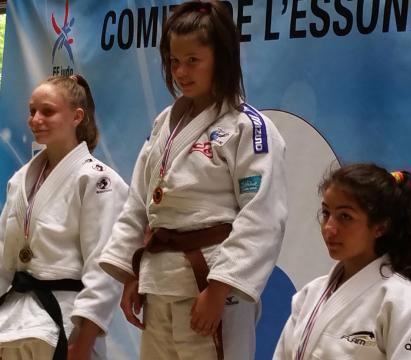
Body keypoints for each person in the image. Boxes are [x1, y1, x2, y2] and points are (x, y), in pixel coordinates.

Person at [98, 1, 287, 359]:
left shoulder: (248, 127)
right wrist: (132, 273)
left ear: (222, 58)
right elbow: (140, 203)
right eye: (174, 61)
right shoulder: (164, 124)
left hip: (211, 282)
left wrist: (219, 289)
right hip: (159, 282)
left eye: (193, 60)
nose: (181, 71)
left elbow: (261, 216)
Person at [0, 74, 128, 360]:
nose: (35, 119)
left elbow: (103, 269)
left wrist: (84, 342)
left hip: (66, 324)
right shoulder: (21, 179)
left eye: (47, 111)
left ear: (77, 116)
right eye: (32, 111)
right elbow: (1, 260)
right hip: (14, 323)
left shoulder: (98, 181)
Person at [274, 163, 411, 360]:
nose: (329, 228)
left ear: (380, 227)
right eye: (326, 213)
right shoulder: (309, 296)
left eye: (345, 217)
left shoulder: (407, 303)